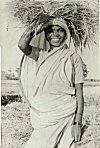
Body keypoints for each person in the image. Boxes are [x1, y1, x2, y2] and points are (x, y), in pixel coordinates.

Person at [18, 17, 84, 148]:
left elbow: (80, 93)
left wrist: (77, 123)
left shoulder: (73, 57)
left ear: (66, 34)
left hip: (65, 113)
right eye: (51, 31)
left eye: (60, 30)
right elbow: (22, 45)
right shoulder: (40, 54)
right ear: (45, 34)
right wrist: (39, 25)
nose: (55, 34)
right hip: (44, 114)